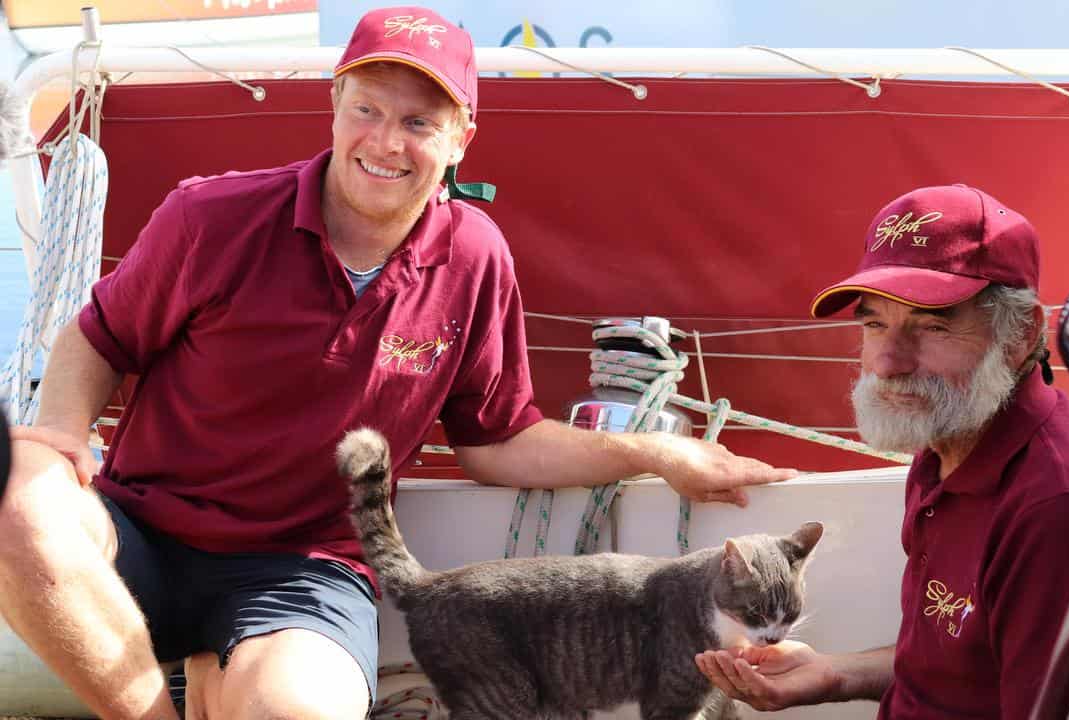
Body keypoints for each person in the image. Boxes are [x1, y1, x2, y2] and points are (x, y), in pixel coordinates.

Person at [0, 7, 794, 720]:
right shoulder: (210, 215)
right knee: (14, 489)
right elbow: (98, 336)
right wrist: (63, 436)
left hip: (303, 571)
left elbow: (496, 439)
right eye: (367, 110)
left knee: (295, 713)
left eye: (418, 122)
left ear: (460, 140)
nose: (385, 141)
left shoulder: (476, 256)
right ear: (335, 108)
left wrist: (660, 452)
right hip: (142, 533)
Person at [696, 184, 1069, 718]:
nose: (887, 362)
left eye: (931, 326)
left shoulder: (1059, 509)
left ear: (1020, 335)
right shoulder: (944, 446)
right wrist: (837, 673)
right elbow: (955, 666)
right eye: (876, 324)